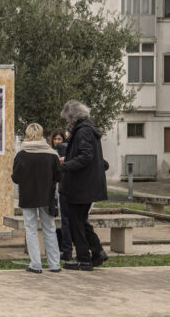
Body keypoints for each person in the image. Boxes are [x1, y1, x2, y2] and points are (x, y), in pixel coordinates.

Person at [59, 100, 109, 271]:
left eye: (67, 118)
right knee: (81, 221)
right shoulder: (88, 130)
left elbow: (86, 157)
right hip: (86, 184)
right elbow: (88, 156)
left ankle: (84, 259)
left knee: (76, 223)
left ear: (73, 117)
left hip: (82, 185)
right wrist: (68, 159)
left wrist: (64, 166)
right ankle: (97, 252)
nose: (66, 122)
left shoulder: (83, 132)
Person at [12, 123, 62, 273]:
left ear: (27, 134)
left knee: (31, 229)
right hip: (47, 196)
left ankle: (36, 264)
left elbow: (16, 178)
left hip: (28, 196)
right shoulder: (51, 154)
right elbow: (58, 176)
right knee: (49, 229)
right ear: (41, 134)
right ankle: (54, 264)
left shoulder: (21, 154)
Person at [49, 127, 73, 260]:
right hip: (57, 188)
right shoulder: (51, 152)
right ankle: (62, 247)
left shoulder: (65, 150)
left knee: (66, 220)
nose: (57, 141)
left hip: (64, 187)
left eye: (60, 139)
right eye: (55, 139)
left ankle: (66, 249)